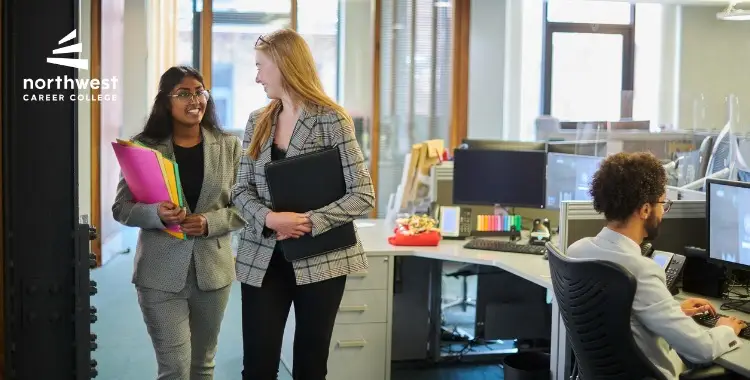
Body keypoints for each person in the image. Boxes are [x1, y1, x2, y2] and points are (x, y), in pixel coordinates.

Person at [231, 29, 375, 380]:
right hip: (262, 259)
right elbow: (240, 191)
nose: (257, 76)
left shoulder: (332, 119)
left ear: (283, 65)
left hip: (322, 257)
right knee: (258, 368)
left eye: (261, 66)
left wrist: (307, 221)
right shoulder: (257, 120)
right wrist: (270, 218)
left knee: (310, 368)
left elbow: (363, 193)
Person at [112, 66, 245, 380]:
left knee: (203, 366)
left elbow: (245, 208)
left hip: (213, 273)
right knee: (174, 369)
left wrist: (210, 222)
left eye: (199, 91)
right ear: (165, 101)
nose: (194, 99)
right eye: (183, 93)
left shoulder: (229, 147)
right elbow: (121, 208)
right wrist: (155, 213)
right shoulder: (142, 146)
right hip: (159, 274)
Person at [566, 151, 746, 380]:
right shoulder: (641, 270)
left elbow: (616, 319)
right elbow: (702, 349)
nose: (663, 211)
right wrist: (726, 327)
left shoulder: (577, 250)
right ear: (644, 210)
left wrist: (671, 311)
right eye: (663, 203)